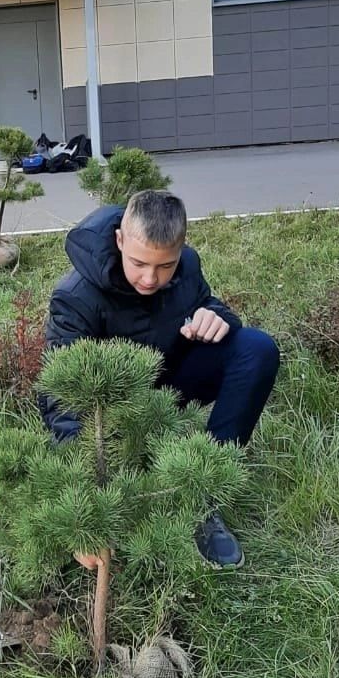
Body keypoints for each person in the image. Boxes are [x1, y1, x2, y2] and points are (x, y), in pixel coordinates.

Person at [40, 189, 280, 569]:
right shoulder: (75, 297)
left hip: (171, 386)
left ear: (180, 249)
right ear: (120, 239)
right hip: (115, 414)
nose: (150, 278)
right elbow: (62, 396)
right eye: (138, 263)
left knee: (257, 349)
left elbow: (209, 302)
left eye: (165, 266)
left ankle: (202, 492)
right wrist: (82, 509)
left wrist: (216, 317)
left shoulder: (187, 268)